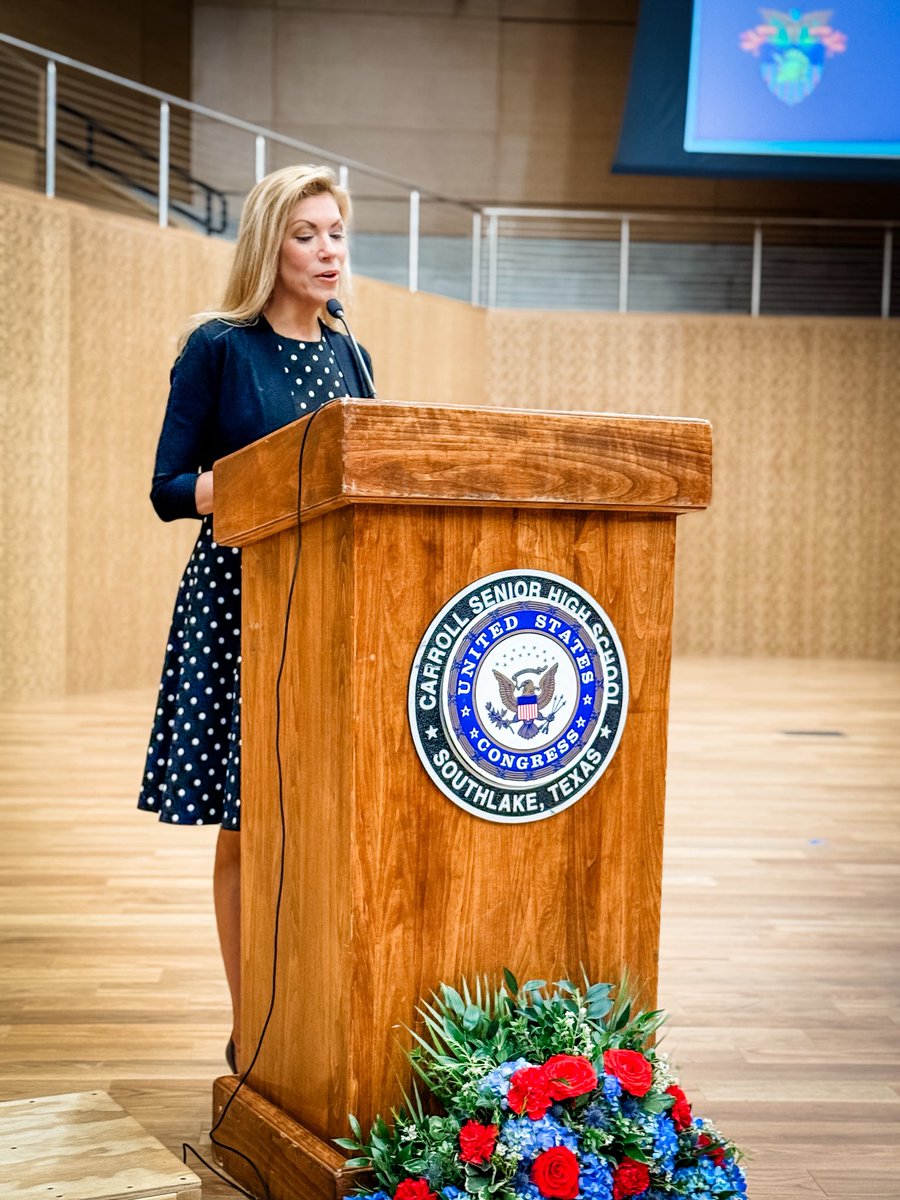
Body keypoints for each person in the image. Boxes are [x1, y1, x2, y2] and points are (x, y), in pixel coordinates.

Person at [137, 164, 373, 1075]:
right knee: (248, 821)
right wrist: (257, 483)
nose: (328, 251)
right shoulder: (218, 347)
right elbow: (166, 490)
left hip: (332, 609)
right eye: (307, 233)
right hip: (241, 607)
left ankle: (306, 1011)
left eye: (337, 234)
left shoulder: (352, 352)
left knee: (310, 819)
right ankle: (252, 1033)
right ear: (269, 244)